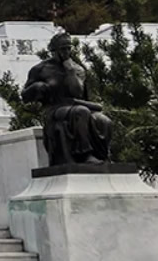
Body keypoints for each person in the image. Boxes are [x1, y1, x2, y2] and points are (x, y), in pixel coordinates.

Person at [21, 32, 112, 165]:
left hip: (75, 103)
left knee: (104, 120)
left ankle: (102, 156)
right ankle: (84, 155)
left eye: (69, 48)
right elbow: (25, 96)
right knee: (81, 112)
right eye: (63, 49)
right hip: (54, 108)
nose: (66, 52)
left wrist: (70, 72)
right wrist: (36, 87)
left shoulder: (77, 69)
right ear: (53, 50)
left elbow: (77, 92)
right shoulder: (40, 69)